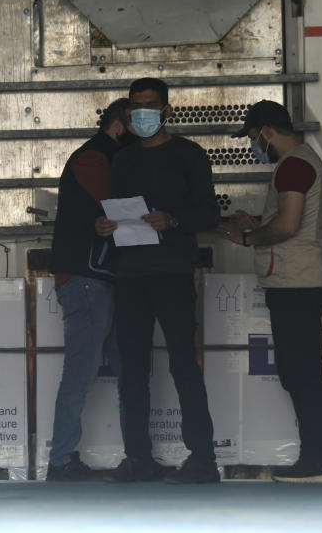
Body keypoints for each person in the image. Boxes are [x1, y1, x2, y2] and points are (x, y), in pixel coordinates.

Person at [95, 77, 222, 484]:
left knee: (184, 364)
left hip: (173, 272)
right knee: (131, 370)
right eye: (135, 107)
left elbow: (209, 215)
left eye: (150, 105)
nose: (142, 113)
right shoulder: (124, 160)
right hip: (130, 275)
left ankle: (202, 459)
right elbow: (113, 210)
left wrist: (174, 220)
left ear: (168, 110)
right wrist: (103, 225)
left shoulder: (190, 155)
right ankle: (138, 458)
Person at [218, 99, 322, 483]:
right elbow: (289, 220)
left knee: (302, 373)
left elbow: (287, 227)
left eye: (253, 138)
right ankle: (316, 457)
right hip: (298, 281)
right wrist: (258, 222)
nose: (254, 146)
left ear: (268, 132)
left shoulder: (294, 166)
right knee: (300, 371)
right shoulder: (301, 163)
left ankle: (318, 460)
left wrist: (248, 235)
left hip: (296, 283)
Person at [46, 97, 133, 481]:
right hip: (86, 280)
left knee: (117, 374)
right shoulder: (95, 158)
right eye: (136, 123)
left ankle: (129, 456)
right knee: (80, 375)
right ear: (117, 126)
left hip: (97, 280)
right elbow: (117, 208)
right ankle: (61, 461)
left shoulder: (99, 157)